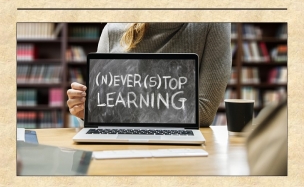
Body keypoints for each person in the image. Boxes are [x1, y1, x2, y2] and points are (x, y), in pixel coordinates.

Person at [67, 23, 232, 127]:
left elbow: (204, 111)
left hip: (180, 150)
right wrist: (87, 110)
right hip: (117, 145)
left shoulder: (212, 24)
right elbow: (102, 110)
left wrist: (115, 110)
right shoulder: (112, 30)